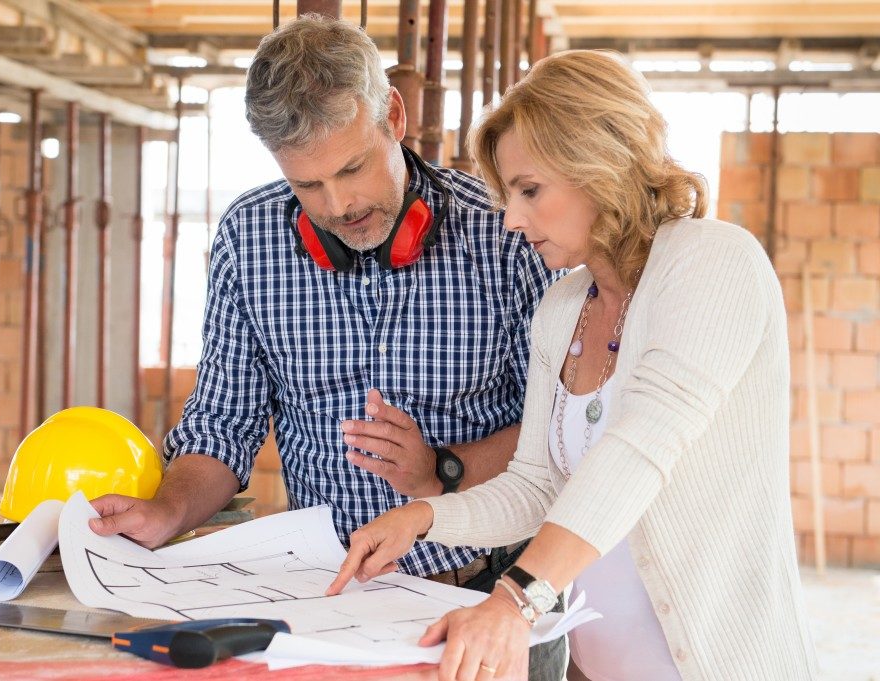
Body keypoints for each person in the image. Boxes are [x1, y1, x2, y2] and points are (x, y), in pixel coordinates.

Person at [88, 15, 566, 681]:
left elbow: (562, 431)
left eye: (352, 167)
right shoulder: (248, 241)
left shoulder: (505, 233)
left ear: (393, 116)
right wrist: (166, 508)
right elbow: (223, 423)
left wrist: (442, 470)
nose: (340, 205)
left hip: (484, 603)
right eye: (308, 186)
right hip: (322, 612)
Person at [327, 49, 820, 681]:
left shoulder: (712, 263)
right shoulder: (563, 307)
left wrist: (513, 600)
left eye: (531, 190)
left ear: (601, 164)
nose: (512, 220)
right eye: (508, 195)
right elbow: (537, 486)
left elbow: (638, 450)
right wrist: (424, 519)